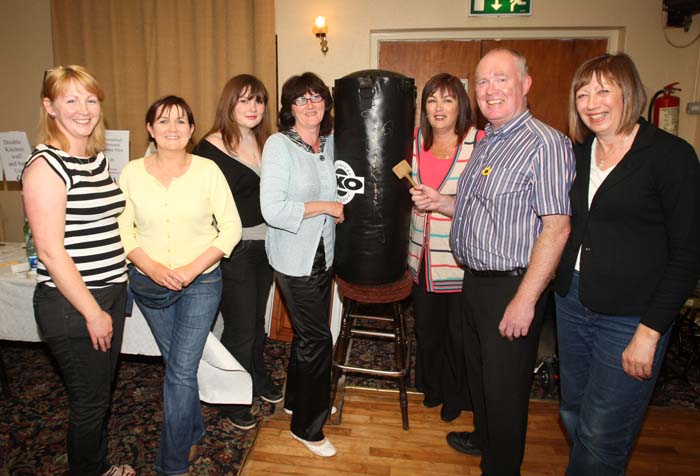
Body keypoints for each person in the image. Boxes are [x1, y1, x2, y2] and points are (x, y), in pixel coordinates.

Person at [410, 48, 575, 476]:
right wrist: (441, 201)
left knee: (504, 388)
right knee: (480, 374)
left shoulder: (545, 143)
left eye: (501, 79)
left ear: (525, 84)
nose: (491, 90)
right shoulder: (489, 142)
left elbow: (556, 228)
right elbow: (471, 205)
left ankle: (501, 466)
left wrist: (526, 298)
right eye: (482, 82)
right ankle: (483, 437)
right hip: (475, 280)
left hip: (513, 285)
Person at [554, 53, 700, 476]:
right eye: (583, 93)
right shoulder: (580, 155)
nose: (591, 102)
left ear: (628, 93)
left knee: (603, 433)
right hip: (573, 302)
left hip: (630, 316)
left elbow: (688, 252)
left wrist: (650, 332)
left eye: (604, 90)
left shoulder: (670, 156)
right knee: (573, 412)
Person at [118, 96, 241, 475]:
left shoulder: (208, 171)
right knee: (178, 365)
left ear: (191, 129)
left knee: (180, 371)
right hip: (150, 285)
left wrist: (190, 269)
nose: (172, 128)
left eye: (181, 121)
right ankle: (194, 426)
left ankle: (171, 466)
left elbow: (231, 228)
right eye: (163, 121)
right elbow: (122, 230)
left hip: (201, 283)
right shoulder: (131, 173)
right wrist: (152, 267)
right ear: (150, 129)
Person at [20, 65, 134, 476]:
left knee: (98, 397)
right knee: (90, 402)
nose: (84, 109)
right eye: (70, 99)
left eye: (90, 99)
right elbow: (50, 253)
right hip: (74, 304)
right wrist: (92, 311)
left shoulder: (95, 159)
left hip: (106, 293)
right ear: (49, 107)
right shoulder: (46, 167)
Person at [192, 74, 282, 430]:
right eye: (243, 100)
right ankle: (232, 395)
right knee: (240, 327)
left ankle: (256, 377)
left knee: (257, 322)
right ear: (229, 104)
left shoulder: (268, 144)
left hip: (268, 245)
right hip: (234, 249)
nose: (252, 107)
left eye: (258, 100)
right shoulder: (208, 148)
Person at [260, 72, 343, 458]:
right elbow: (272, 209)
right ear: (289, 108)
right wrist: (326, 207)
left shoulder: (328, 145)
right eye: (301, 99)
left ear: (326, 104)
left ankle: (295, 400)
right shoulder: (279, 145)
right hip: (294, 260)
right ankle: (307, 427)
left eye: (317, 97)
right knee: (318, 339)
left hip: (323, 253)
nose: (310, 105)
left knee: (307, 337)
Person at [407, 73, 482, 422]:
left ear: (461, 106)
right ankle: (432, 386)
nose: (439, 107)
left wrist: (443, 201)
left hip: (459, 258)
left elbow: (485, 200)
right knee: (427, 328)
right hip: (420, 255)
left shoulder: (479, 143)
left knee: (458, 334)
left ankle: (456, 394)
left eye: (448, 100)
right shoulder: (414, 143)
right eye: (432, 99)